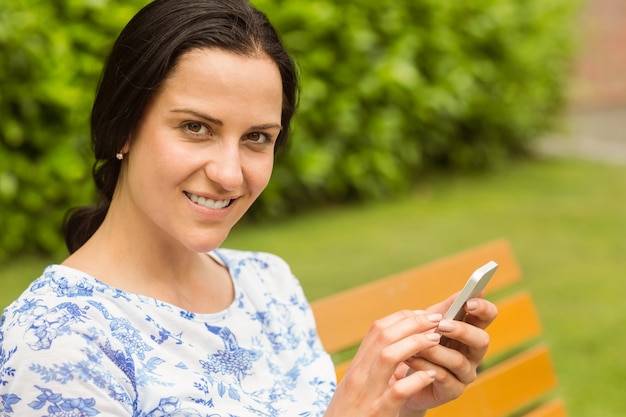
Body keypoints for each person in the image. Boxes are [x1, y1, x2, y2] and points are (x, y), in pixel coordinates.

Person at [0, 1, 497, 416]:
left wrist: (398, 400)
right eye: (197, 127)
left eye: (257, 137)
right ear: (123, 128)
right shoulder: (53, 343)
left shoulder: (268, 284)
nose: (230, 174)